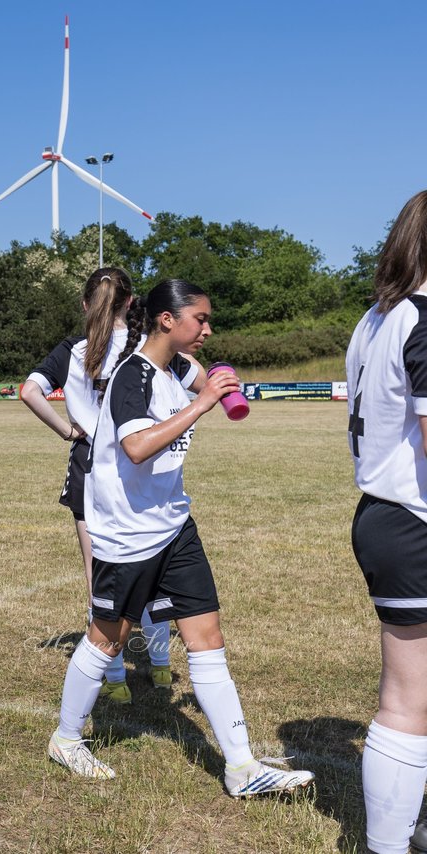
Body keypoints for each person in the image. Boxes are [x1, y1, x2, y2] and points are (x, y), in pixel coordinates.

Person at [46, 279, 315, 798]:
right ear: (167, 320)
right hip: (127, 534)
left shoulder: (175, 369)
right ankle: (66, 737)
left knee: (207, 637)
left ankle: (242, 769)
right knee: (109, 638)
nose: (208, 330)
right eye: (200, 319)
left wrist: (219, 386)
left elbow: (201, 385)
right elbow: (138, 448)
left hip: (173, 525)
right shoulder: (133, 375)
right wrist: (204, 403)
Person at [21, 267, 187, 704]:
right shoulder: (146, 348)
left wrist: (67, 430)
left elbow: (29, 391)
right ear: (132, 304)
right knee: (154, 567)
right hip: (144, 464)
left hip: (91, 465)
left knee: (101, 578)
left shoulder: (71, 350)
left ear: (84, 305)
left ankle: (113, 677)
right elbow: (198, 380)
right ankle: (161, 667)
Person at [345, 190, 427, 854]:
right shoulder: (422, 315)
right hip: (412, 520)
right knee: (406, 701)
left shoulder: (375, 318)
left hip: (383, 513)